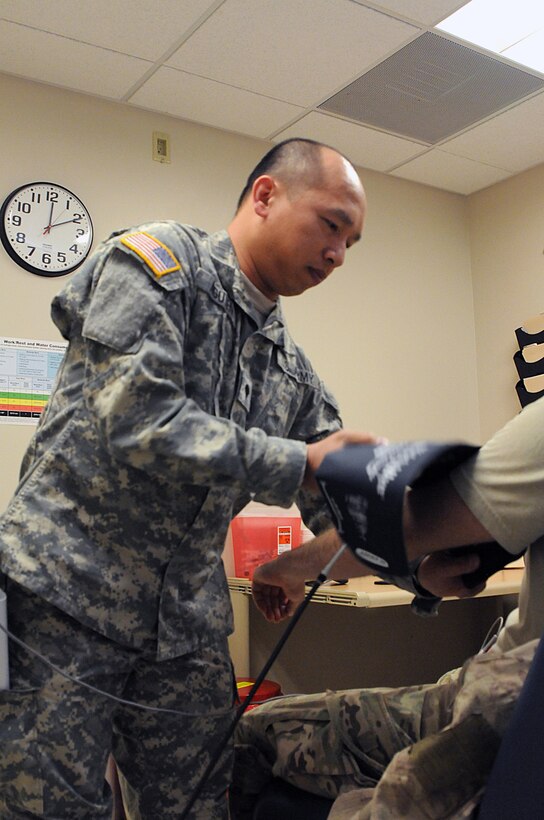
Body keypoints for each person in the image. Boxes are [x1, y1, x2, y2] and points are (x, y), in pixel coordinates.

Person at [0, 138, 373, 819]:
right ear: (265, 196)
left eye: (352, 241)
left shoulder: (293, 375)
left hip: (182, 633)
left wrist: (290, 566)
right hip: (61, 602)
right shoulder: (156, 263)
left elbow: (345, 523)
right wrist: (296, 460)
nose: (338, 254)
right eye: (330, 224)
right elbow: (137, 422)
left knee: (201, 804)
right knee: (48, 809)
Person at [230, 396, 544, 818]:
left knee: (244, 736)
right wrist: (420, 573)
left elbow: (404, 526)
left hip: (506, 711)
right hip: (512, 697)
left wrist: (285, 567)